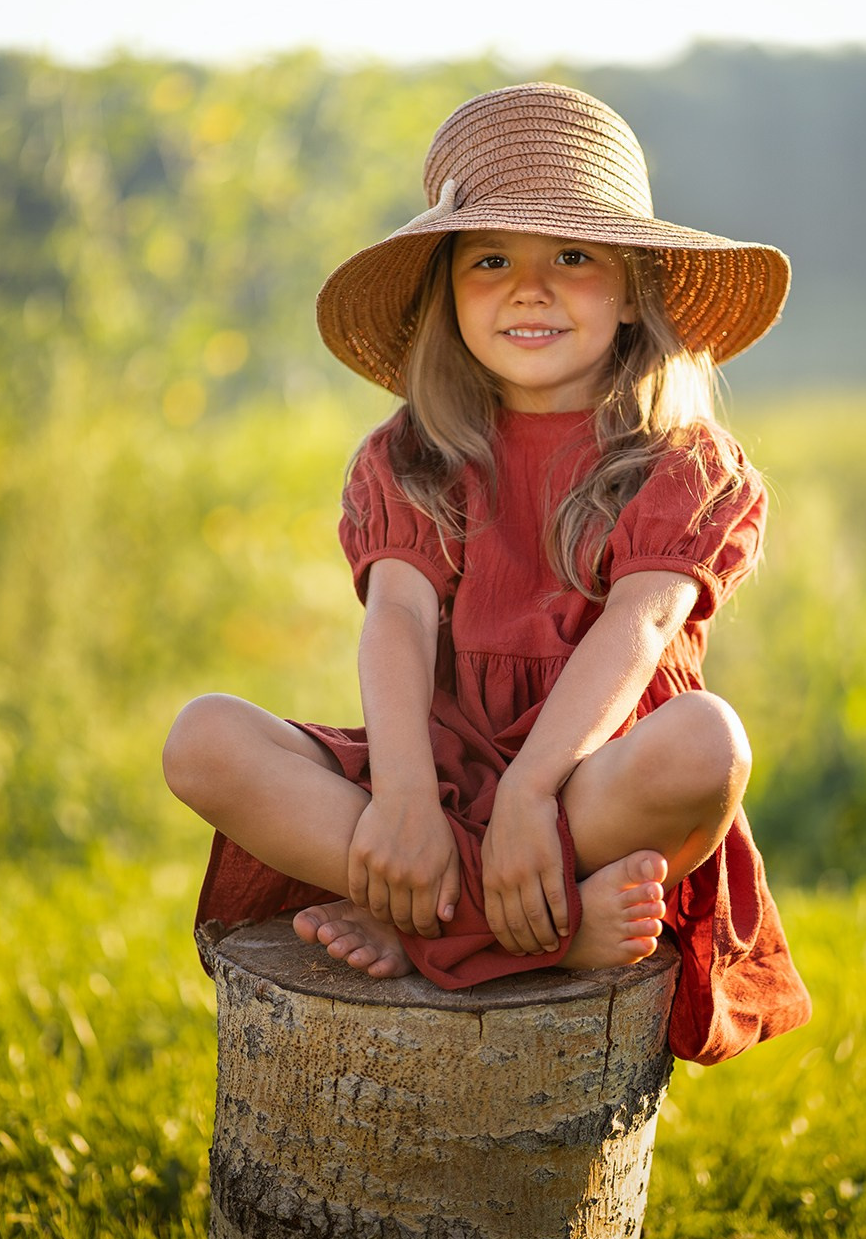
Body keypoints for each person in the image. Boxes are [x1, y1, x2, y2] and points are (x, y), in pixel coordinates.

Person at [163, 83, 810, 1065]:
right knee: (202, 739)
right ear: (447, 290)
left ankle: (430, 924)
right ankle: (525, 929)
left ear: (634, 286)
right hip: (438, 774)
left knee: (706, 747)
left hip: (589, 790)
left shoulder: (681, 462)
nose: (529, 287)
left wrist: (531, 793)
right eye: (491, 258)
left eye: (574, 256)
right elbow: (393, 622)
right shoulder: (413, 454)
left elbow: (634, 629)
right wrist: (408, 803)